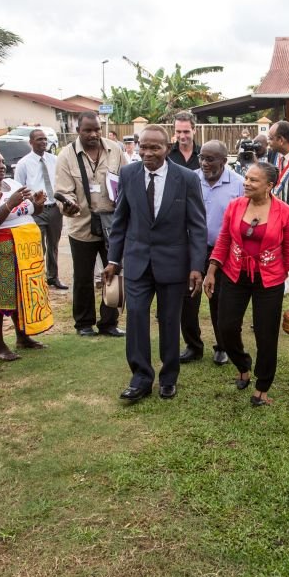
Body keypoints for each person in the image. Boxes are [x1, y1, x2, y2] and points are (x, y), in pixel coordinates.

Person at [103, 124, 207, 402]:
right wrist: (114, 259)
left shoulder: (186, 178)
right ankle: (140, 378)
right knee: (136, 317)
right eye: (143, 146)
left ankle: (168, 377)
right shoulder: (128, 174)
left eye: (154, 147)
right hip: (137, 262)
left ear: (167, 149)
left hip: (174, 264)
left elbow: (197, 226)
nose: (147, 152)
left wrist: (197, 266)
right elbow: (120, 220)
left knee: (170, 321)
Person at [204, 162, 289, 405]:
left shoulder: (286, 213)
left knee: (265, 333)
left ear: (270, 185)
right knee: (225, 327)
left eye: (254, 180)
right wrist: (211, 270)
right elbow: (224, 239)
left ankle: (262, 386)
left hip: (268, 279)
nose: (246, 183)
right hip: (235, 274)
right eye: (246, 178)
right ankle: (242, 364)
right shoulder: (235, 206)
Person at [0, 148, 52, 361]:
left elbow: (33, 211)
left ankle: (23, 336)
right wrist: (9, 203)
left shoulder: (13, 184)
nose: (1, 165)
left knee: (22, 292)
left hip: (25, 247)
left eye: (2, 161)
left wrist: (38, 203)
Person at [56, 111, 125, 338]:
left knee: (113, 272)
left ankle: (109, 322)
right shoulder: (66, 156)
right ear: (78, 131)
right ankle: (84, 323)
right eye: (88, 130)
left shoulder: (115, 150)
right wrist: (68, 205)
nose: (94, 134)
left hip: (111, 224)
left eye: (97, 129)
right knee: (83, 277)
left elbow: (126, 181)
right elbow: (64, 191)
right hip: (81, 224)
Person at [182, 141, 245, 365]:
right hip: (191, 248)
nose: (204, 163)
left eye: (210, 159)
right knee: (188, 298)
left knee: (219, 300)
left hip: (223, 251)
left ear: (224, 161)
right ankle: (193, 345)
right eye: (202, 158)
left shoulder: (238, 185)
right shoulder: (189, 179)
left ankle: (223, 346)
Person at [15, 129, 67, 290]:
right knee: (38, 246)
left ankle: (53, 277)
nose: (43, 142)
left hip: (54, 208)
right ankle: (38, 279)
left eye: (45, 139)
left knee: (54, 244)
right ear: (31, 142)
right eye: (39, 139)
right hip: (37, 209)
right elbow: (19, 187)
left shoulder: (55, 160)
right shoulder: (24, 163)